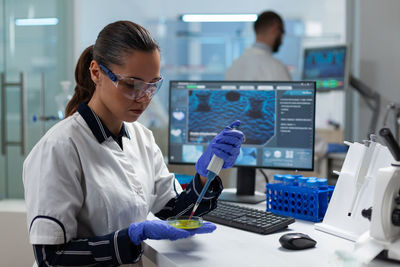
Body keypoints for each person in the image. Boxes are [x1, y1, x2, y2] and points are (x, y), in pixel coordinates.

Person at [23, 21, 244, 266]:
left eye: (152, 86)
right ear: (96, 72)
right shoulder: (59, 147)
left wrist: (205, 177)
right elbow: (51, 258)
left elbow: (173, 210)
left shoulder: (142, 138)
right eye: (131, 85)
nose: (144, 98)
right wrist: (129, 237)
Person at [225, 10, 291, 81]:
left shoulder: (234, 66)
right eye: (283, 32)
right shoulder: (276, 68)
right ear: (275, 28)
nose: (282, 39)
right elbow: (286, 92)